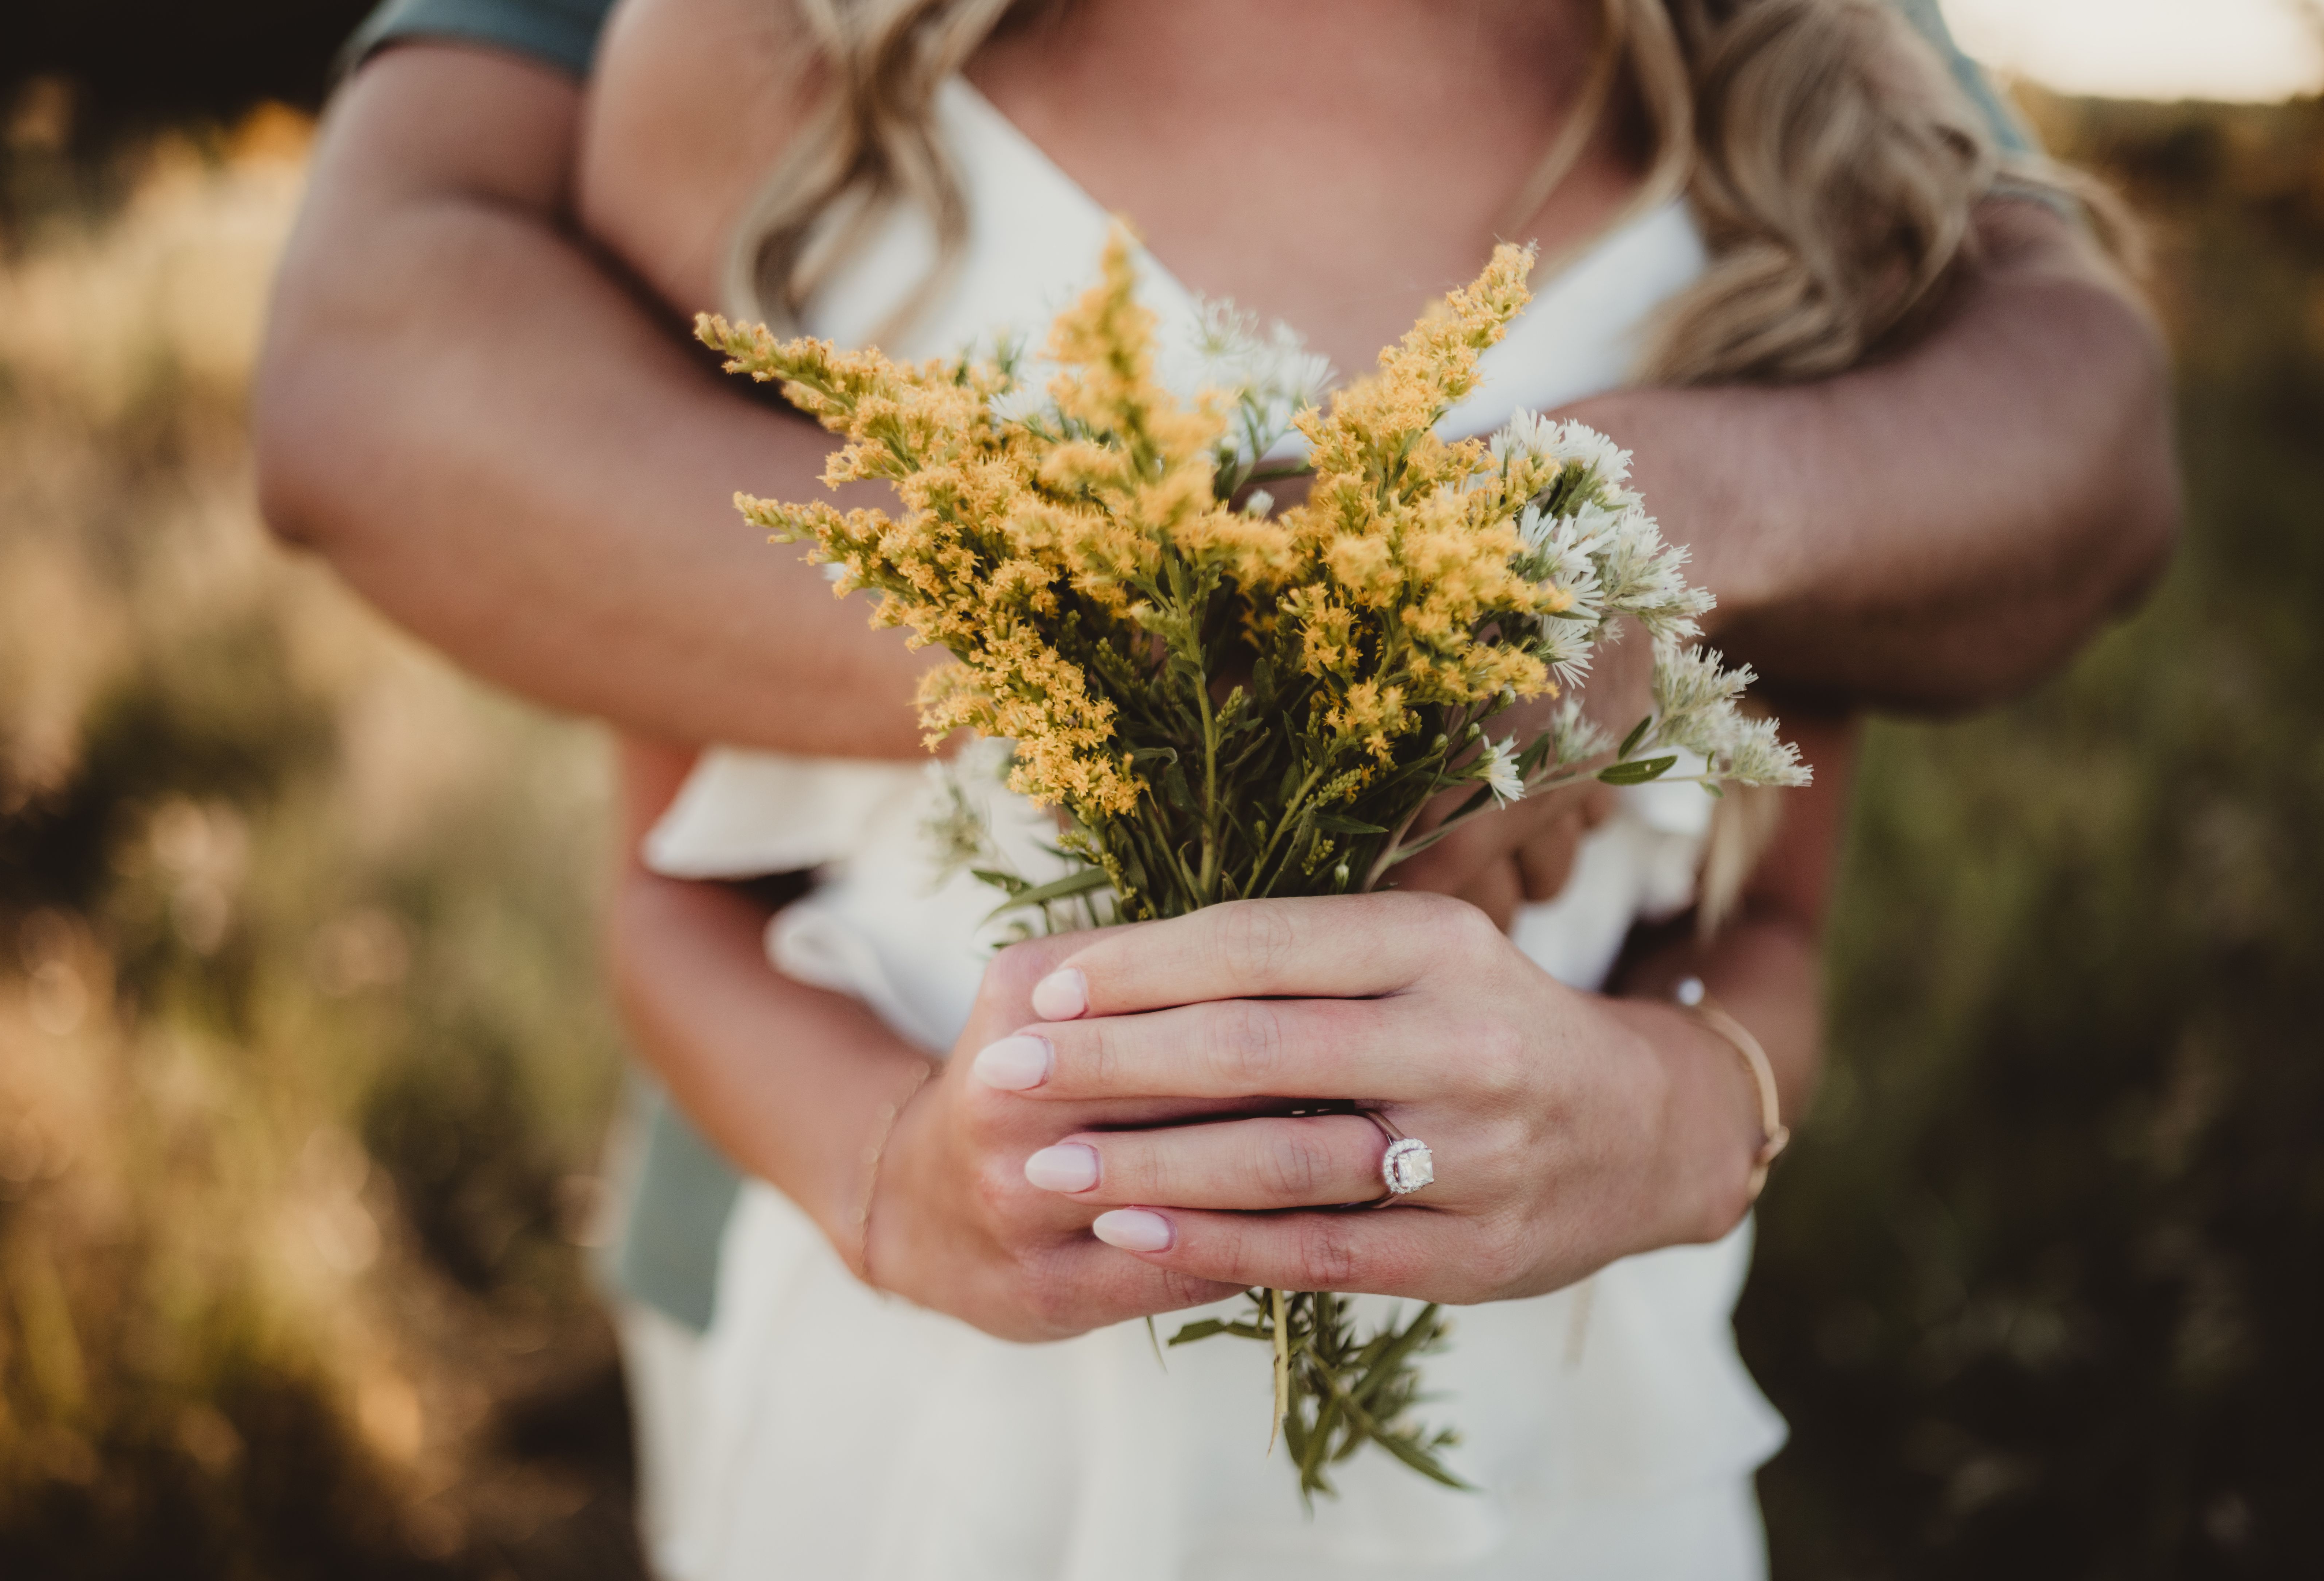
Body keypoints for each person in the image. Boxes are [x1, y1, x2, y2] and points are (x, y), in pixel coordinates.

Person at [254, 1, 2179, 1575]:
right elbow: (668, 885)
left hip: (1545, 1454)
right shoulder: (782, 71)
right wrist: (888, 1180)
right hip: (923, 1432)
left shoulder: (1801, 137)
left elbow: (1761, 928)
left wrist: (1664, 1128)